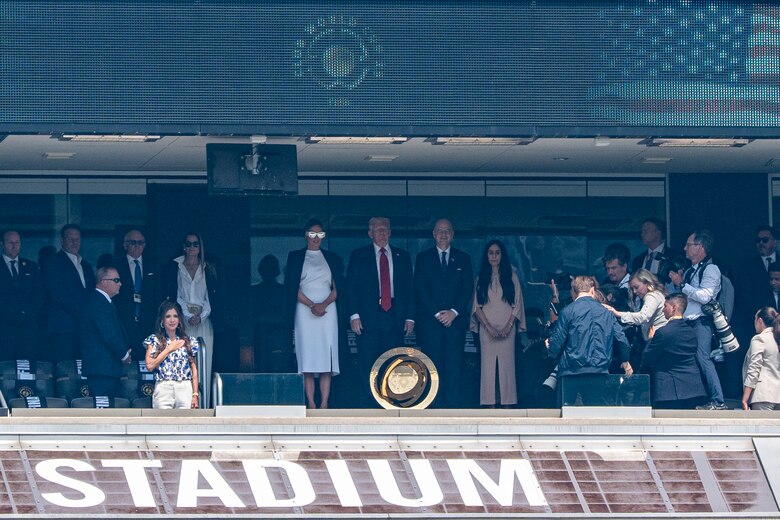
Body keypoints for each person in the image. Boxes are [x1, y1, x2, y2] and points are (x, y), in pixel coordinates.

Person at [346, 217, 414, 407]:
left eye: (385, 229)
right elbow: (350, 287)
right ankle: (368, 402)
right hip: (368, 315)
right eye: (378, 230)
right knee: (368, 359)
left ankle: (390, 400)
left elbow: (409, 288)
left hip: (395, 314)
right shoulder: (359, 255)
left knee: (392, 359)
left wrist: (410, 317)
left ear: (390, 232)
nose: (382, 233)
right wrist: (354, 315)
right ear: (370, 234)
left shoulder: (403, 255)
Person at [284, 218, 344, 409]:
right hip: (304, 310)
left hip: (328, 310)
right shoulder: (295, 256)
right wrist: (312, 305)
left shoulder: (332, 257)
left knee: (327, 356)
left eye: (320, 234)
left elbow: (339, 287)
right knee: (307, 356)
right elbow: (292, 286)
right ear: (305, 235)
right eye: (312, 234)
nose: (316, 238)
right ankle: (310, 402)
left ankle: (324, 403)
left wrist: (323, 304)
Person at [414, 219, 474, 408]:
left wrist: (453, 312)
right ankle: (434, 405)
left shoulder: (463, 258)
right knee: (432, 365)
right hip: (431, 324)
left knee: (454, 365)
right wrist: (438, 313)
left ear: (453, 234)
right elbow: (420, 290)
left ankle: (453, 406)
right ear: (433, 234)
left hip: (455, 323)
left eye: (447, 231)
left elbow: (467, 289)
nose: (443, 234)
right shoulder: (423, 258)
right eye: (440, 231)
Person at [546, 276, 632, 405]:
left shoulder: (567, 311)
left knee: (565, 414)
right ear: (593, 290)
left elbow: (557, 342)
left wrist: (550, 348)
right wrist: (625, 360)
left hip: (570, 371)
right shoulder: (606, 313)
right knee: (595, 414)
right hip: (599, 371)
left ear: (573, 291)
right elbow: (621, 339)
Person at [668, 229, 727, 410]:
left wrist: (682, 284)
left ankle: (718, 400)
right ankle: (697, 399)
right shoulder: (690, 271)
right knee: (687, 361)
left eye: (689, 244)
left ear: (700, 247)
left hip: (701, 322)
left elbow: (705, 296)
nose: (685, 248)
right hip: (687, 322)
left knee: (703, 359)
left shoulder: (711, 269)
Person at [161, 232, 218, 407]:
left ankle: (204, 404)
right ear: (183, 246)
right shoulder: (176, 267)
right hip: (183, 320)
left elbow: (212, 296)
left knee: (204, 361)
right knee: (184, 359)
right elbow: (175, 295)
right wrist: (185, 314)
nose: (191, 248)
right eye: (188, 244)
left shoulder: (208, 268)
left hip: (203, 319)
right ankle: (185, 403)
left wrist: (201, 316)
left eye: (195, 244)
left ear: (200, 247)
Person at [471, 239, 525, 408]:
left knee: (507, 368)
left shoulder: (512, 277)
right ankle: (490, 404)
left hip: (507, 330)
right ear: (486, 256)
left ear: (502, 255)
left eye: (497, 252)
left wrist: (508, 327)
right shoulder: (480, 279)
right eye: (491, 252)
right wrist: (488, 328)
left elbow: (517, 305)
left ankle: (507, 404)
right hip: (487, 331)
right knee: (488, 368)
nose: (494, 256)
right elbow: (476, 307)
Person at [640, 293, 707, 409]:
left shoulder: (663, 332)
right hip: (693, 388)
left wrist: (650, 340)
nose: (663, 311)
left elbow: (648, 357)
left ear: (674, 308)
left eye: (665, 306)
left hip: (668, 389)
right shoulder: (692, 332)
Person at [43, 224, 95, 362]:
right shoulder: (52, 262)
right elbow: (56, 293)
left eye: (77, 239)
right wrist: (82, 312)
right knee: (65, 369)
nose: (75, 242)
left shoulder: (86, 265)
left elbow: (91, 294)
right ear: (62, 241)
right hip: (63, 327)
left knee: (82, 368)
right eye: (70, 239)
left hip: (84, 328)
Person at [80, 266, 131, 399]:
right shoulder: (98, 302)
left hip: (106, 369)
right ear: (104, 282)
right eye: (116, 280)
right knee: (104, 410)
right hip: (101, 369)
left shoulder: (101, 301)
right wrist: (124, 355)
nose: (120, 283)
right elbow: (109, 334)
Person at [144, 301, 200, 409]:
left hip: (184, 386)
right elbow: (150, 365)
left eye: (175, 316)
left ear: (179, 320)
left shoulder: (188, 341)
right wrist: (168, 349)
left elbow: (194, 370)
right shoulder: (154, 340)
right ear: (162, 320)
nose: (172, 320)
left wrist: (195, 395)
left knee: (185, 422)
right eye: (168, 316)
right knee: (162, 423)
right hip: (164, 386)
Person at [0, 230, 44, 361]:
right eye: (10, 242)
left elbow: (39, 294)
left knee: (27, 369)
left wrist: (26, 313)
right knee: (5, 370)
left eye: (17, 242)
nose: (14, 246)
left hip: (27, 329)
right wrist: (10, 314)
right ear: (2, 244)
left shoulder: (31, 266)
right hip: (4, 328)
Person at [114, 229, 156, 361]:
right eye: (133, 242)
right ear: (125, 245)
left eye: (141, 242)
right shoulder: (116, 266)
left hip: (147, 322)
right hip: (124, 322)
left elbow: (156, 294)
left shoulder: (152, 265)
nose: (138, 246)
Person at [604, 268, 668, 344]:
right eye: (632, 288)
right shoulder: (655, 294)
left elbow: (643, 316)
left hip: (657, 339)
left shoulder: (652, 296)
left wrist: (618, 314)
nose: (634, 291)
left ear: (647, 283)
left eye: (637, 287)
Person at [251, 254, 288, 372]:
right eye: (267, 268)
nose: (269, 272)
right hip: (260, 331)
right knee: (261, 361)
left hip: (280, 331)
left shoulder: (283, 290)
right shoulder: (254, 291)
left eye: (271, 268)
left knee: (280, 361)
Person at [741, 307, 780, 411]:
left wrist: (745, 398)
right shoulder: (777, 338)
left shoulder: (760, 338)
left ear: (760, 321)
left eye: (755, 319)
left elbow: (754, 369)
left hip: (763, 395)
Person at [601, 243, 631, 311]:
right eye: (608, 268)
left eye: (613, 268)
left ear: (624, 266)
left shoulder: (633, 285)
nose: (610, 272)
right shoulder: (607, 281)